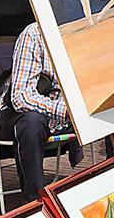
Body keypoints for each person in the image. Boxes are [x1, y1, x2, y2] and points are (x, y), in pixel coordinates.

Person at [9, 21, 83, 202]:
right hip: (36, 113)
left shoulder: (85, 27)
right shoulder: (34, 34)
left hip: (68, 116)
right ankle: (36, 202)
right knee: (31, 122)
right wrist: (66, 111)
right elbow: (21, 97)